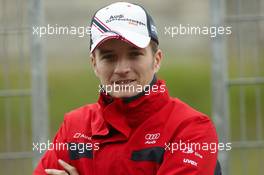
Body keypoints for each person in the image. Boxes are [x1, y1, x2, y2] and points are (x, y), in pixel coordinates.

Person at [33, 2, 220, 175]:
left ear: (156, 60)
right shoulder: (74, 127)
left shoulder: (190, 128)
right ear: (94, 64)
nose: (122, 69)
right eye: (109, 57)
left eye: (134, 54)